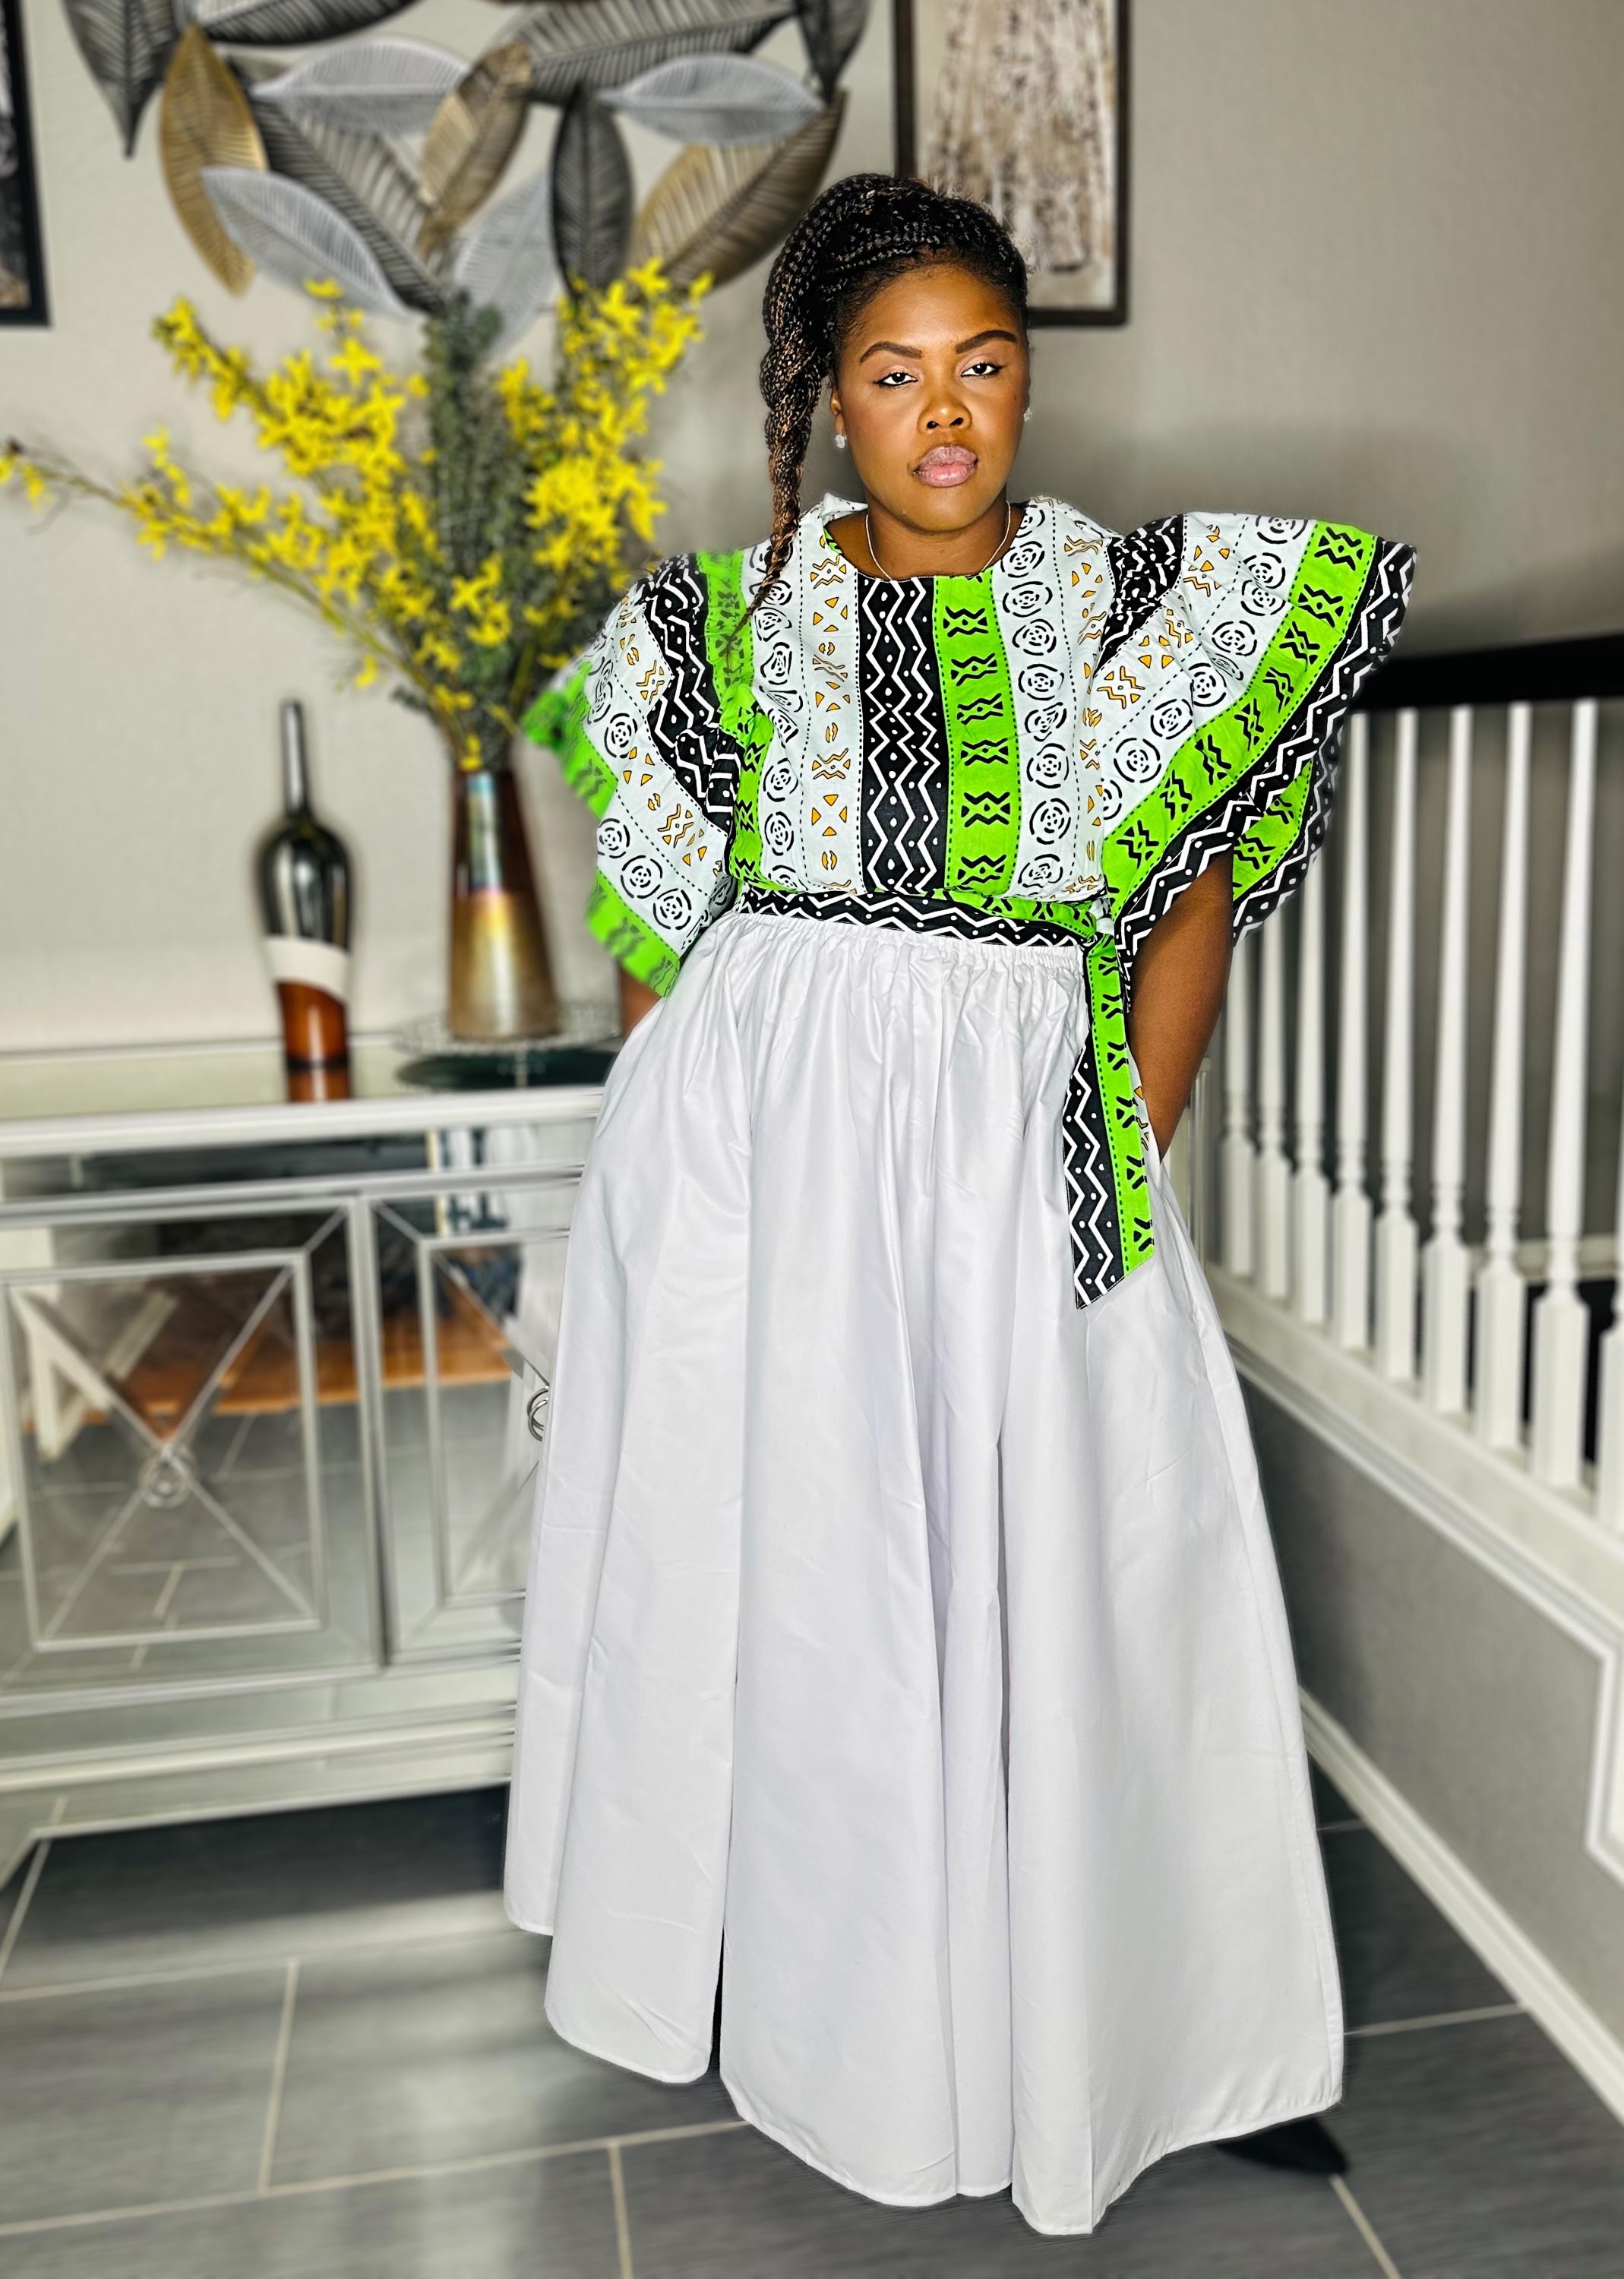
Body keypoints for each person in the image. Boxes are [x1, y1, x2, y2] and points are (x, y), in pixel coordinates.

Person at [504, 171, 1415, 2238]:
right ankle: (833, 2019)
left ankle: (1152, 2030)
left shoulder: (1146, 613)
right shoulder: (706, 630)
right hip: (759, 1171)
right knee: (811, 1586)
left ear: (1026, 382)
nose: (943, 414)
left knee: (1091, 1576)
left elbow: (1192, 902)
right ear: (825, 398)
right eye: (894, 373)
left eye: (983, 366)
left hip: (1028, 1149)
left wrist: (1127, 1137)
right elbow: (655, 943)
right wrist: (661, 1201)